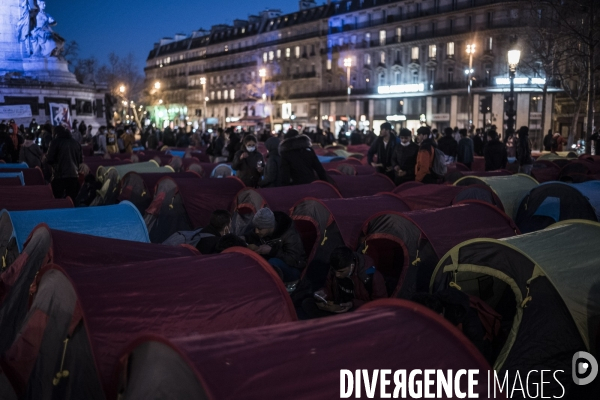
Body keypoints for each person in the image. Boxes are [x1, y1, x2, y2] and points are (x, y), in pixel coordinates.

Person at [301, 246, 387, 318]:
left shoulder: (372, 275)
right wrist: (323, 293)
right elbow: (329, 289)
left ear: (351, 266)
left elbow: (380, 305)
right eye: (335, 271)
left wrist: (352, 304)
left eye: (341, 272)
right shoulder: (334, 271)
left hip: (358, 311)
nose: (337, 275)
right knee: (307, 303)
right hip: (339, 306)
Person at [246, 208, 306, 282]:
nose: (256, 231)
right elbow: (249, 236)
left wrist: (271, 251)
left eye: (260, 229)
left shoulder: (289, 234)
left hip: (293, 269)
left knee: (273, 262)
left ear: (270, 226)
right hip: (275, 264)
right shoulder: (262, 231)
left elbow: (293, 259)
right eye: (255, 227)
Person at [46, 126, 82, 200]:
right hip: (74, 175)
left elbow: (49, 159)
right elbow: (80, 160)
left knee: (58, 201)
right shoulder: (75, 143)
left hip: (59, 176)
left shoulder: (55, 142)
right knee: (72, 200)